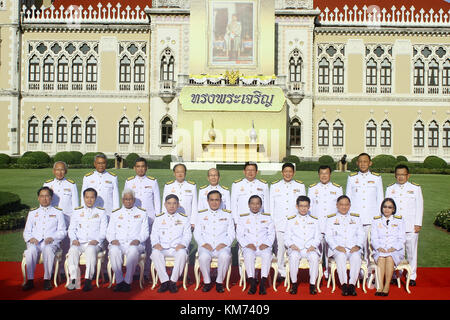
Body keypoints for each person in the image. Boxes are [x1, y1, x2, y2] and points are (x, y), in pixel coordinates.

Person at [22, 187, 67, 291]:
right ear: (38, 198)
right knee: (31, 251)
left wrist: (53, 237)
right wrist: (30, 238)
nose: (44, 199)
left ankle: (47, 280)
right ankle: (30, 280)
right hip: (36, 241)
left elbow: (63, 231)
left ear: (51, 198)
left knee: (47, 249)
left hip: (50, 242)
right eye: (42, 196)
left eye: (47, 196)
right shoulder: (33, 213)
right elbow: (26, 231)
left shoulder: (58, 212)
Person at [385, 164, 423, 286]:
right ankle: (396, 275)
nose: (401, 177)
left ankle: (411, 276)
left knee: (411, 252)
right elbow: (386, 208)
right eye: (398, 175)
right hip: (395, 227)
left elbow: (419, 206)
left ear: (408, 175)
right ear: (395, 175)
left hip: (411, 226)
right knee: (396, 252)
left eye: (403, 174)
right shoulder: (390, 189)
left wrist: (418, 223)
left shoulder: (415, 188)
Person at [106, 189, 149, 292]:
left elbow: (145, 232)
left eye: (130, 199)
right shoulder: (116, 213)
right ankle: (119, 281)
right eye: (126, 199)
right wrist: (112, 240)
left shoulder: (142, 213)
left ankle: (128, 282)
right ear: (122, 200)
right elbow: (110, 232)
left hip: (135, 244)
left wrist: (138, 240)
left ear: (133, 200)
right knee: (113, 250)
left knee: (133, 250)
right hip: (119, 243)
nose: (128, 201)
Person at [124, 157, 161, 277]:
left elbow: (157, 202)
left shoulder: (152, 181)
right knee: (135, 243)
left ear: (146, 168)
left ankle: (148, 272)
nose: (140, 169)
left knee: (150, 246)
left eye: (142, 166)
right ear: (134, 168)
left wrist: (158, 218)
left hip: (150, 218)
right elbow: (126, 200)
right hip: (134, 219)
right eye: (138, 166)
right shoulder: (129, 182)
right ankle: (134, 271)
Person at [269, 162, 305, 281]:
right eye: (286, 171)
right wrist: (272, 223)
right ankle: (280, 272)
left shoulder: (300, 186)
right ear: (282, 172)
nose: (288, 174)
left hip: (294, 224)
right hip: (279, 223)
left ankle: (292, 271)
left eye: (290, 172)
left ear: (294, 173)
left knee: (293, 248)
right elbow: (271, 207)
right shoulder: (275, 186)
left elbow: (303, 206)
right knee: (280, 249)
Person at [66, 188, 108, 291]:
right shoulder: (77, 211)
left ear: (95, 198)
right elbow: (71, 229)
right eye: (87, 197)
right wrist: (73, 239)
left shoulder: (101, 212)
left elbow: (104, 231)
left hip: (95, 243)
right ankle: (74, 280)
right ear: (84, 198)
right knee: (72, 250)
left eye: (92, 197)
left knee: (90, 249)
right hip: (79, 242)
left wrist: (97, 240)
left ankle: (88, 280)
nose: (89, 200)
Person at [43, 161, 79, 277]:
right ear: (54, 171)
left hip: (67, 218)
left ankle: (64, 270)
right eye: (57, 170)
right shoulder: (47, 184)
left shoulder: (71, 184)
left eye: (62, 170)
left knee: (66, 245)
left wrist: (75, 221)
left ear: (66, 171)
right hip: (53, 220)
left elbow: (75, 205)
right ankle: (53, 269)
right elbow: (45, 203)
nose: (60, 172)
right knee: (52, 243)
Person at [194, 190, 235, 293]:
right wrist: (203, 244)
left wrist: (225, 243)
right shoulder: (201, 215)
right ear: (207, 201)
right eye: (212, 200)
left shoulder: (228, 215)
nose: (214, 202)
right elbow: (197, 233)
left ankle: (219, 282)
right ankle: (207, 282)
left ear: (220, 201)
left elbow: (231, 233)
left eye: (217, 200)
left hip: (222, 245)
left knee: (225, 256)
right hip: (206, 245)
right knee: (203, 257)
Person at [345, 153, 383, 263]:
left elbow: (380, 198)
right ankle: (359, 272)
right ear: (357, 163)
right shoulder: (352, 178)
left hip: (371, 217)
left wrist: (379, 217)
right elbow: (348, 198)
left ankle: (370, 270)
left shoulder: (376, 178)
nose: (363, 164)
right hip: (356, 217)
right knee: (356, 245)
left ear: (370, 163)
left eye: (365, 161)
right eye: (360, 161)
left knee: (370, 246)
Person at [151, 194, 192, 293]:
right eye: (169, 203)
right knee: (155, 253)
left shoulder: (184, 218)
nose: (171, 206)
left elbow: (188, 235)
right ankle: (164, 281)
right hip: (162, 248)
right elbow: (154, 234)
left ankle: (173, 281)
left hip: (177, 248)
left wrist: (182, 244)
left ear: (178, 205)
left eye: (174, 203)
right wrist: (156, 243)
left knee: (182, 253)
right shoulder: (159, 218)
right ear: (165, 204)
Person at [307, 165, 343, 278]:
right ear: (318, 175)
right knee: (317, 250)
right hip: (318, 224)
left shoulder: (337, 188)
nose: (324, 176)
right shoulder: (312, 188)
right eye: (321, 173)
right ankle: (316, 273)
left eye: (326, 173)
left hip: (332, 225)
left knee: (330, 250)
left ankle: (328, 273)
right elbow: (310, 208)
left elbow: (341, 207)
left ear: (330, 174)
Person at [325, 195, 364, 296]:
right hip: (338, 248)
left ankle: (352, 284)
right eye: (341, 204)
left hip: (353, 247)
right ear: (337, 205)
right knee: (341, 257)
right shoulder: (331, 218)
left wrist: (358, 246)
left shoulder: (356, 218)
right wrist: (336, 246)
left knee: (356, 257)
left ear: (350, 205)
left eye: (346, 205)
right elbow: (328, 236)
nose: (344, 207)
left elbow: (361, 234)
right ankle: (344, 285)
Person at [236, 195, 275, 295]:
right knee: (248, 255)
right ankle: (252, 282)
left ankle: (262, 282)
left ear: (261, 205)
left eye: (257, 203)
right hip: (249, 246)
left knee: (267, 255)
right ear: (249, 205)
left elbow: (271, 233)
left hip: (263, 245)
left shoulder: (267, 217)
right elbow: (239, 235)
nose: (255, 206)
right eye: (252, 203)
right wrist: (247, 244)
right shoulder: (243, 218)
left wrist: (266, 243)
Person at [285, 196, 321, 295]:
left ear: (309, 207)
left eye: (306, 206)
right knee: (293, 256)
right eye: (301, 206)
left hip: (310, 248)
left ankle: (312, 285)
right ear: (297, 206)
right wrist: (291, 245)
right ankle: (294, 284)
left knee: (314, 257)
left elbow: (318, 237)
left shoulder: (314, 220)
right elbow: (287, 237)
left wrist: (313, 246)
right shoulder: (291, 220)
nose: (303, 208)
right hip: (296, 248)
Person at [371, 198, 405, 296]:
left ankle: (387, 286)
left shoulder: (399, 220)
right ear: (382, 208)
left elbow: (402, 238)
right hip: (380, 249)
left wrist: (394, 248)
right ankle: (380, 286)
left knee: (389, 257)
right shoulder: (376, 220)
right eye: (385, 207)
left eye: (390, 207)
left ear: (393, 209)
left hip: (395, 250)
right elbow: (374, 238)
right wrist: (378, 247)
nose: (387, 209)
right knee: (381, 258)